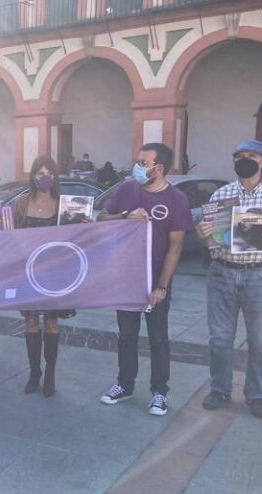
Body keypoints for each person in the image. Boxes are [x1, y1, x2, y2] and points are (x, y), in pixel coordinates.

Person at [195, 140, 262, 420]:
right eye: (239, 156)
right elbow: (211, 242)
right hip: (222, 273)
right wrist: (203, 234)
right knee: (220, 339)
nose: (245, 160)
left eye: (252, 156)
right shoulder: (222, 194)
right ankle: (220, 389)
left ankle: (256, 394)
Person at [97, 143, 192, 416]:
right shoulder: (127, 190)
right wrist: (126, 215)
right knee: (126, 335)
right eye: (137, 161)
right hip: (125, 277)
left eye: (143, 163)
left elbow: (176, 246)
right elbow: (101, 218)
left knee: (158, 337)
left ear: (158, 168)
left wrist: (162, 286)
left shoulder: (176, 199)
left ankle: (159, 392)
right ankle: (124, 384)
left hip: (155, 280)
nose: (136, 167)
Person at [13, 156, 76, 398]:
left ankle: (50, 374)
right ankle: (34, 373)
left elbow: (74, 237)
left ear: (55, 177)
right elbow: (11, 236)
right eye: (40, 173)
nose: (45, 177)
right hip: (28, 273)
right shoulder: (21, 203)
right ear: (32, 176)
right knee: (30, 321)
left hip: (55, 274)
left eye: (49, 172)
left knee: (51, 322)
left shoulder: (63, 204)